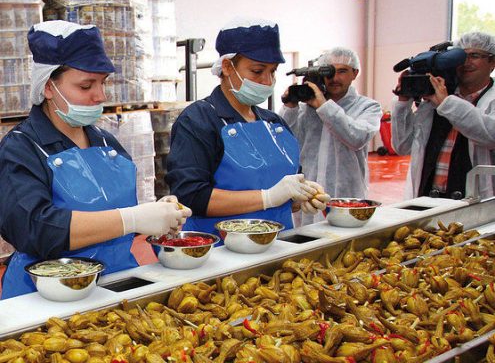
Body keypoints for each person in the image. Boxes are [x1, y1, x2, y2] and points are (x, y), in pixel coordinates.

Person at [0, 20, 192, 299]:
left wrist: (157, 215)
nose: (100, 96)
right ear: (48, 86)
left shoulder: (106, 142)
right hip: (48, 294)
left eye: (102, 83)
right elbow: (34, 228)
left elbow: (118, 210)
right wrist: (132, 219)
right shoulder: (21, 149)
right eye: (86, 85)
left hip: (118, 282)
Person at [165, 17, 329, 237]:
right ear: (227, 66)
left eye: (272, 71)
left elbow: (290, 186)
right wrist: (268, 197)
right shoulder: (199, 121)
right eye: (257, 71)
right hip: (223, 253)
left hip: (279, 246)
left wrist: (303, 196)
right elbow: (192, 196)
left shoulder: (275, 124)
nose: (267, 81)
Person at [279, 47, 381, 225]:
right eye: (329, 72)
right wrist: (290, 107)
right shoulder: (305, 109)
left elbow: (357, 137)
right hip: (307, 197)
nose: (334, 78)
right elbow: (284, 142)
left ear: (355, 73)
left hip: (346, 196)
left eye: (342, 71)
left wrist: (323, 106)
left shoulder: (368, 107)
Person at [392, 31, 495, 200]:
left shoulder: (447, 100)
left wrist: (447, 103)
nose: (466, 63)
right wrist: (403, 103)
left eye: (474, 56)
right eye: (461, 57)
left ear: (493, 62)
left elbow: (490, 135)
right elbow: (402, 146)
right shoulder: (436, 100)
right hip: (428, 198)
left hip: (475, 200)